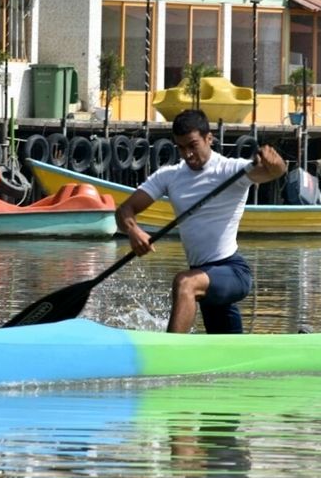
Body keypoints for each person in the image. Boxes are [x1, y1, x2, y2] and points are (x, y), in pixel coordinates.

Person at [115, 109, 286, 334]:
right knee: (227, 348)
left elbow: (275, 172)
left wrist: (274, 163)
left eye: (192, 145)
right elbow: (124, 210)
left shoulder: (231, 170)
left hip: (232, 272)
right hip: (204, 277)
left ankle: (169, 353)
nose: (187, 154)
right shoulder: (169, 176)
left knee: (185, 283)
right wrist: (133, 230)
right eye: (181, 147)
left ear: (209, 139)